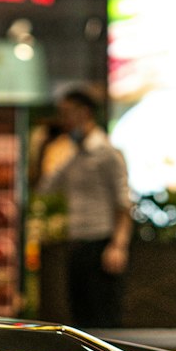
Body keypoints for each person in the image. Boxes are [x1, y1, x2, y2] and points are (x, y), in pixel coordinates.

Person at [37, 87, 133, 328]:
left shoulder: (107, 153)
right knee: (80, 318)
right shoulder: (71, 153)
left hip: (101, 244)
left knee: (103, 318)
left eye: (67, 113)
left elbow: (123, 203)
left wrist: (117, 246)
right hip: (76, 242)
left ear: (85, 113)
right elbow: (44, 188)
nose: (63, 120)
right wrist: (43, 146)